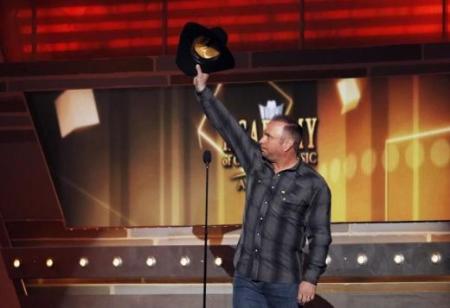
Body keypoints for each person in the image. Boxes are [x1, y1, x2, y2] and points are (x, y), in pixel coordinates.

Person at [194, 64, 331, 308]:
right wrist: (204, 91)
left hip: (284, 284)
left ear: (287, 144)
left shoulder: (314, 185)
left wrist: (310, 279)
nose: (261, 140)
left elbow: (320, 236)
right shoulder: (257, 164)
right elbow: (230, 129)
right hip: (247, 280)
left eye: (268, 136)